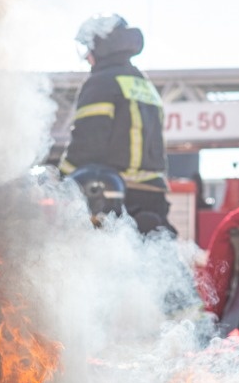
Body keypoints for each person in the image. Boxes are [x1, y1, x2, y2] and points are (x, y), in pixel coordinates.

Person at [59, 13, 175, 235]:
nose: (87, 57)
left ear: (101, 46)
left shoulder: (101, 83)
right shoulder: (143, 82)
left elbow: (87, 143)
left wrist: (61, 179)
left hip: (116, 197)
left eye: (88, 49)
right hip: (154, 197)